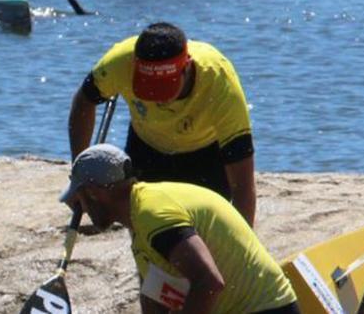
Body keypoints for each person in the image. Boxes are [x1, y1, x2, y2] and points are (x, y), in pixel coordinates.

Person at [59, 144, 298, 314]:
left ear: (94, 192)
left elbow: (209, 283)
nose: (82, 209)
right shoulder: (139, 215)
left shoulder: (153, 214)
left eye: (80, 198)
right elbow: (155, 295)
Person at [68, 22, 257, 226]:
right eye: (148, 89)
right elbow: (84, 102)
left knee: (202, 230)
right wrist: (80, 177)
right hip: (147, 147)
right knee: (146, 225)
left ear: (187, 67)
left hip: (206, 156)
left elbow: (243, 187)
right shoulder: (120, 62)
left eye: (164, 89)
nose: (156, 100)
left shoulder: (219, 83)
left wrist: (244, 247)